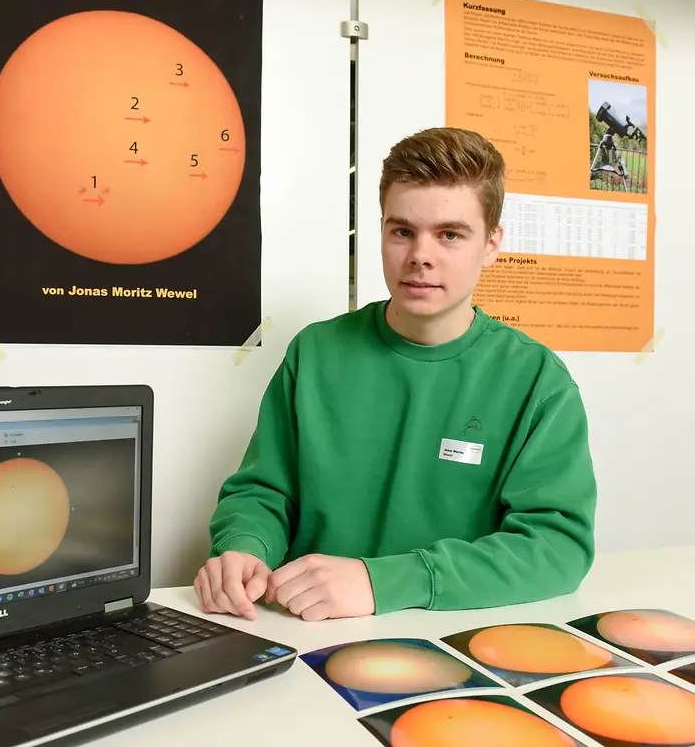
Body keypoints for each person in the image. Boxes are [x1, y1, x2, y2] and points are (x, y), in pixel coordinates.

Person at [194, 127, 597, 622]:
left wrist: (382, 581)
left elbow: (557, 547)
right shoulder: (316, 352)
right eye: (402, 231)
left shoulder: (537, 381)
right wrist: (245, 548)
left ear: (491, 245)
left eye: (450, 234)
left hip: (454, 641)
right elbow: (264, 492)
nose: (420, 256)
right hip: (307, 630)